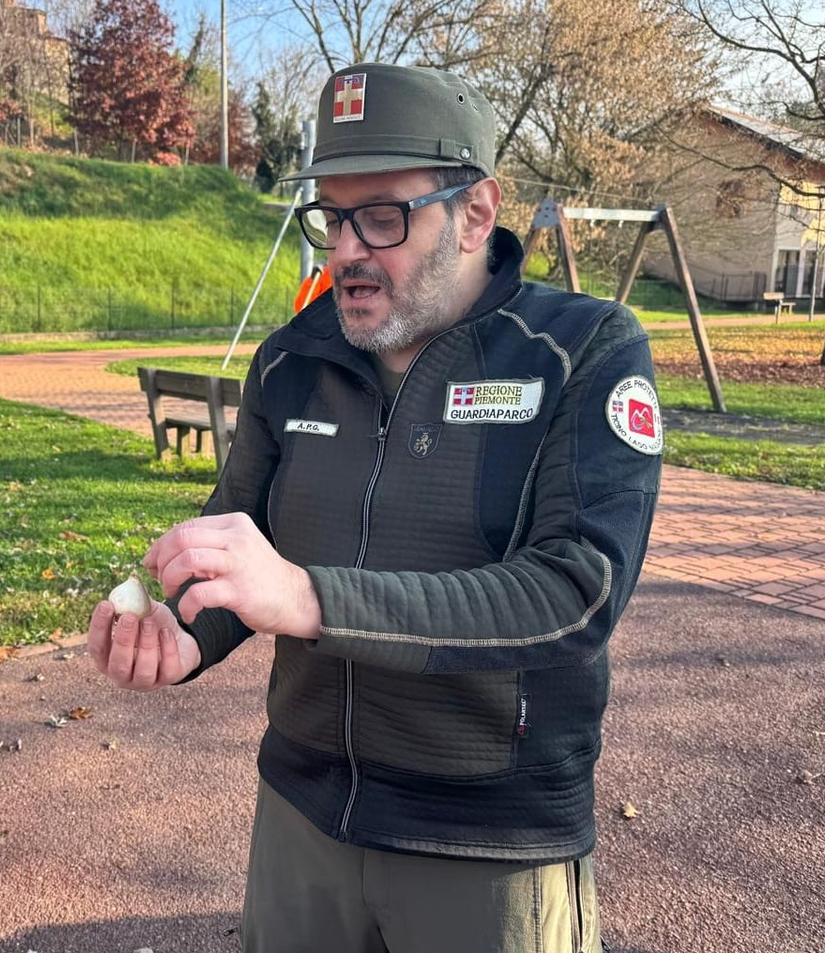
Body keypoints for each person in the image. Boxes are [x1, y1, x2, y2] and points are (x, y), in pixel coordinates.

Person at [88, 61, 662, 953]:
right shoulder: (292, 359)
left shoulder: (581, 352)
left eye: (383, 216)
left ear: (476, 213)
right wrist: (183, 634)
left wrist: (311, 598)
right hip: (300, 816)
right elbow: (244, 537)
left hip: (487, 842)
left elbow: (574, 592)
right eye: (332, 215)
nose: (346, 250)